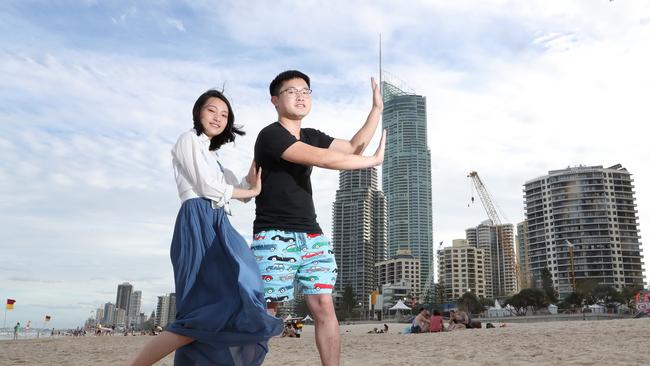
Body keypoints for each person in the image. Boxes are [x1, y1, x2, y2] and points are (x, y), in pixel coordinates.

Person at [125, 90, 283, 366]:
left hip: (219, 224)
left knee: (243, 292)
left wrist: (258, 166)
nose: (218, 118)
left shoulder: (215, 158)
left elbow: (242, 190)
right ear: (198, 112)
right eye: (212, 111)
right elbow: (208, 188)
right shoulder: (188, 140)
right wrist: (251, 190)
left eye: (224, 115)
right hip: (198, 222)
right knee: (203, 312)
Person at [252, 70, 385, 366]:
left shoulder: (311, 135)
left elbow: (353, 147)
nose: (300, 96)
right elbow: (323, 159)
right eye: (291, 91)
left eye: (306, 91)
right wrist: (372, 161)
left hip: (312, 235)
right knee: (267, 308)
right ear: (274, 100)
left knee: (325, 305)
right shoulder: (270, 135)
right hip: (275, 235)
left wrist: (376, 110)